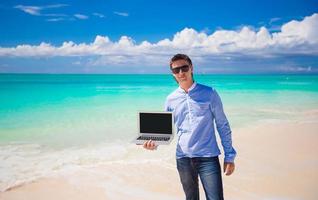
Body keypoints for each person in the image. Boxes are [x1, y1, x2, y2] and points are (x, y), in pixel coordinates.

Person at [143, 54, 236, 200]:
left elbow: (222, 125)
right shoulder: (170, 99)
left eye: (184, 68)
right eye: (176, 70)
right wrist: (153, 144)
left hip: (208, 158)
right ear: (172, 74)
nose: (181, 73)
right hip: (183, 158)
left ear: (191, 68)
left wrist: (229, 156)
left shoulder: (210, 93)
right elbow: (165, 132)